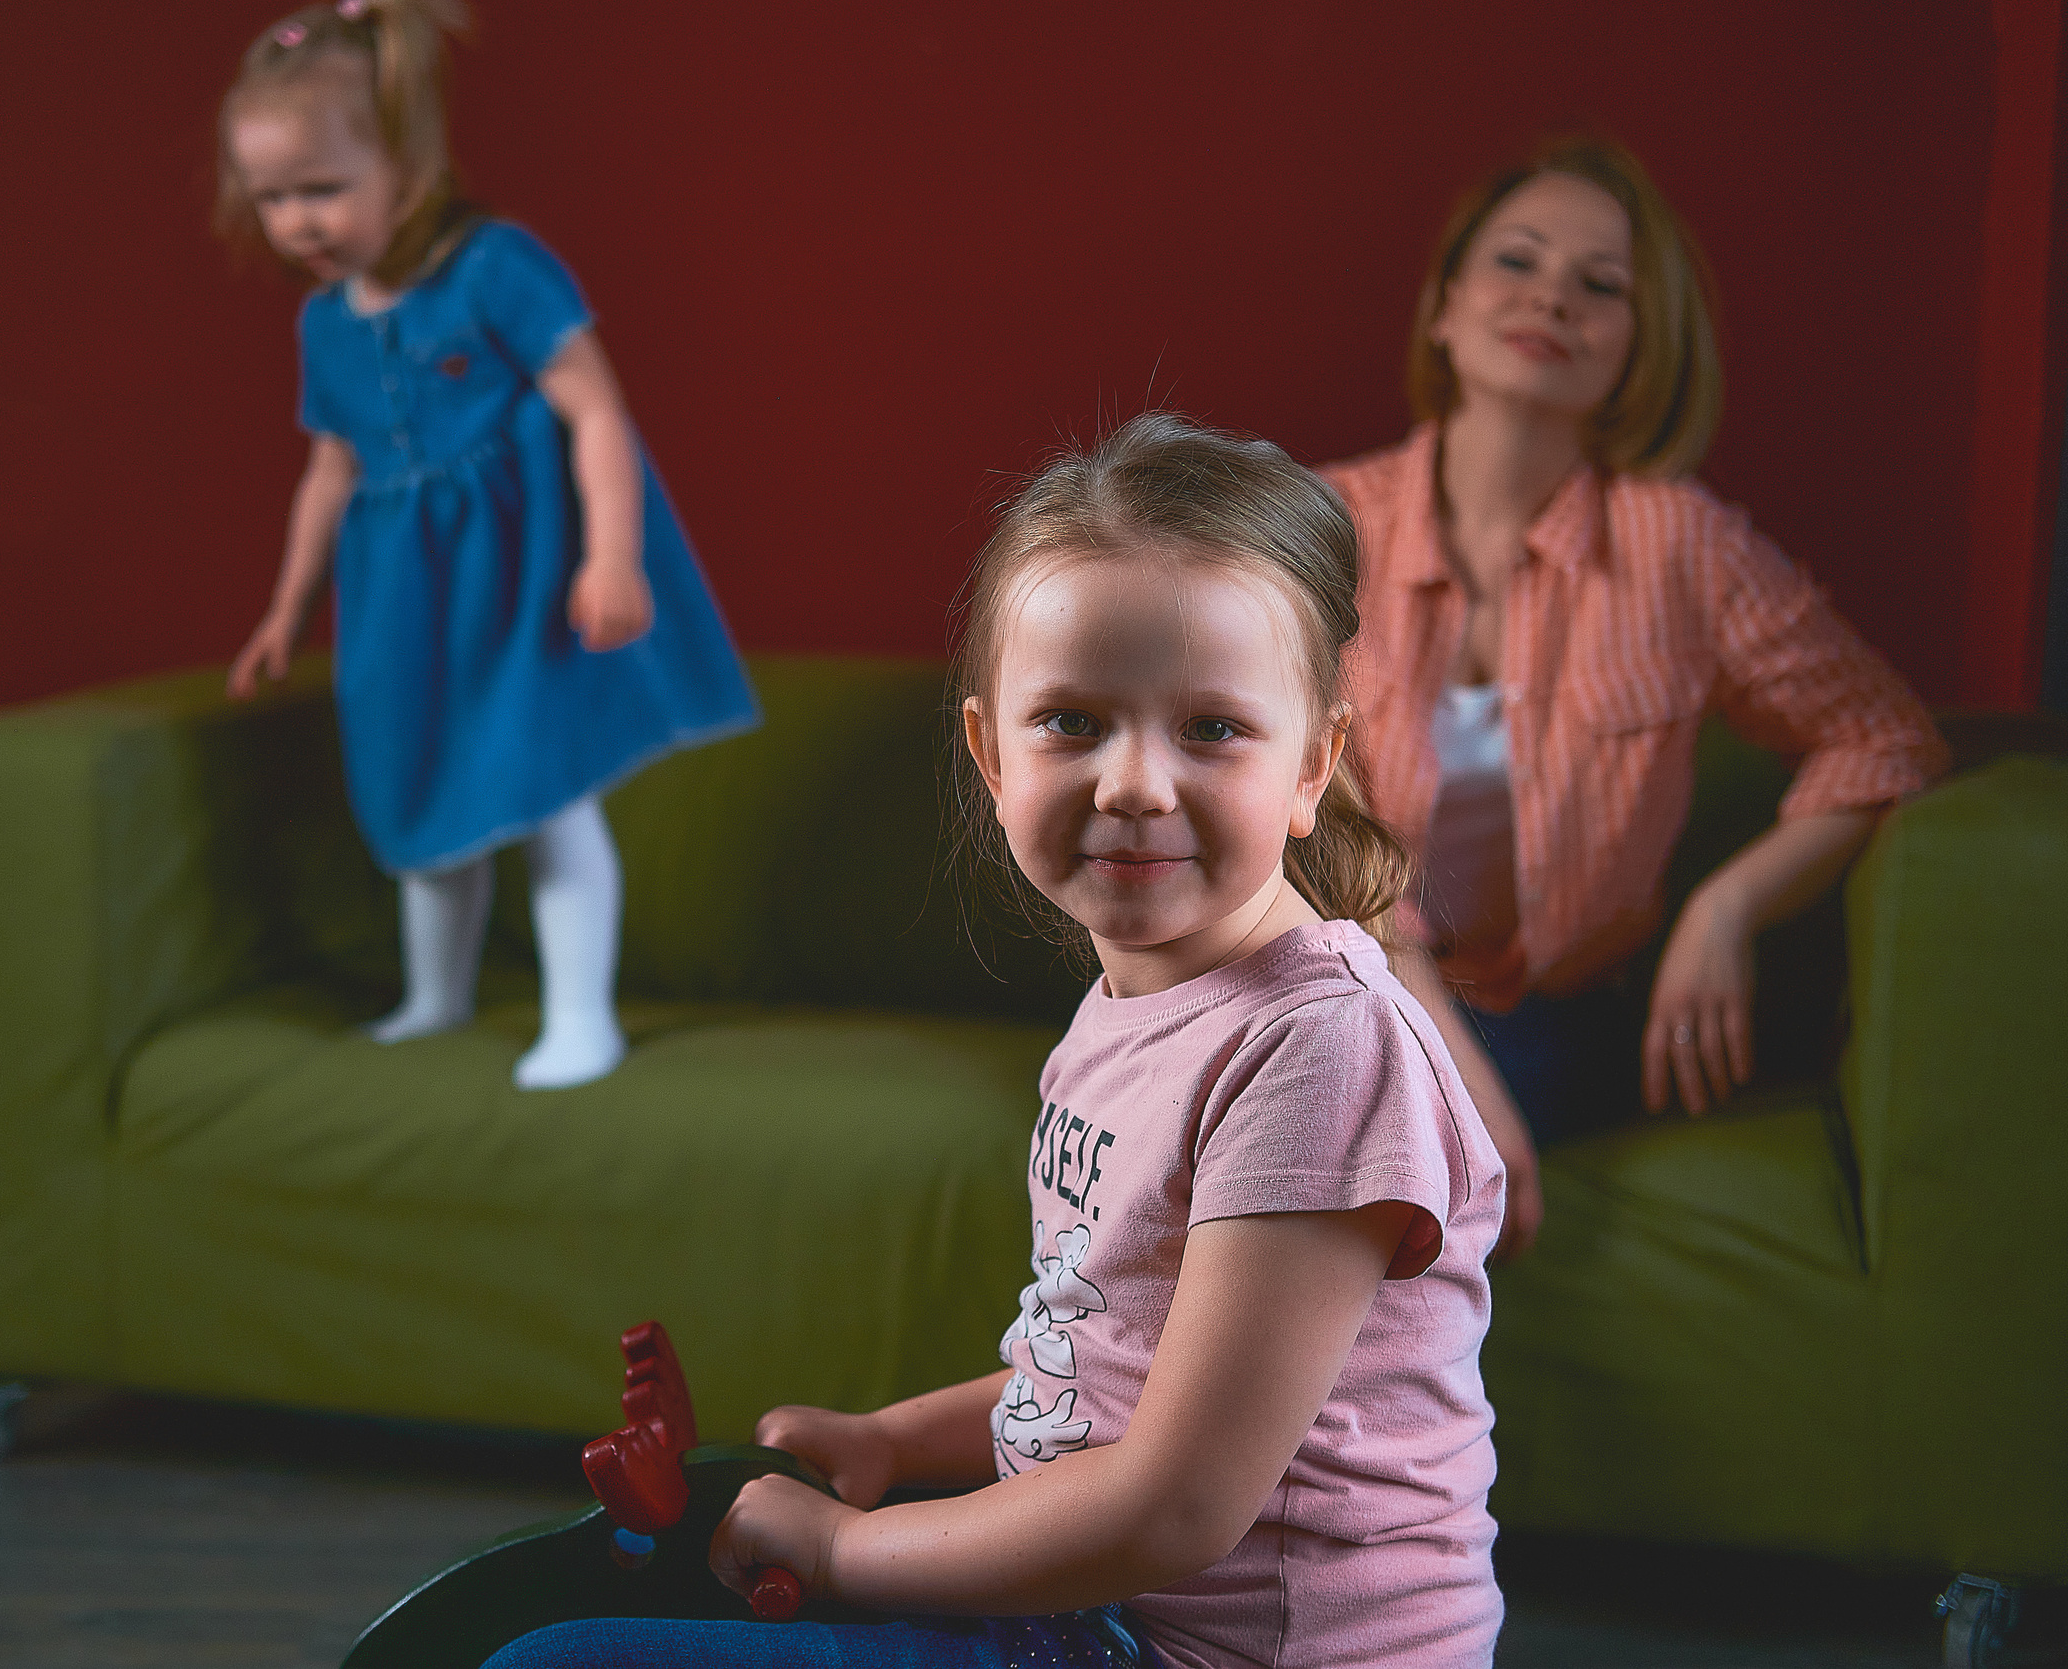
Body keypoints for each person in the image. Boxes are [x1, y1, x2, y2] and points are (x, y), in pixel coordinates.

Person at [485, 416, 1507, 1669]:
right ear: (989, 755)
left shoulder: (1322, 1048)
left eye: (1212, 730)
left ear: (1314, 765)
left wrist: (845, 1549)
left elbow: (1176, 1505)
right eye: (1072, 723)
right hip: (1099, 1608)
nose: (1134, 782)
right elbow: (1106, 1372)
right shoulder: (1129, 1008)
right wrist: (896, 1444)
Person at [1320, 139, 1945, 1256]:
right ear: (1445, 308)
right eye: (1517, 261)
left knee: (1372, 1164)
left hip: (1562, 1019)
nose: (1553, 294)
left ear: (1637, 351)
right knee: (1332, 1117)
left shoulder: (1679, 545)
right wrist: (1438, 1053)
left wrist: (1727, 908)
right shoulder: (1321, 525)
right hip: (1348, 989)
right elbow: (1279, 804)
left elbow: (1886, 738)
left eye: (1601, 285)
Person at [215, 0, 759, 1090]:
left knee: (546, 793)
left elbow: (595, 407)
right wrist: (285, 608)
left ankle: (580, 1019)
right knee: (424, 795)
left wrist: (610, 556)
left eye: (321, 187)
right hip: (403, 607)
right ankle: (435, 998)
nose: (297, 221)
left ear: (404, 164)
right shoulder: (326, 324)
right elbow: (328, 470)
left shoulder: (494, 268)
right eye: (271, 198)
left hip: (521, 588)